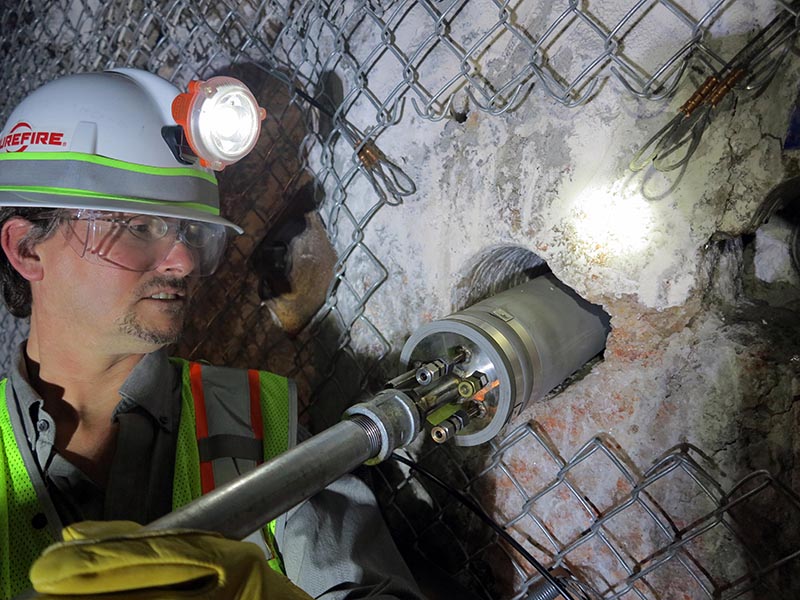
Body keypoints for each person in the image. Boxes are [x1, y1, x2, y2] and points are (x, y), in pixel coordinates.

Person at [0, 69, 423, 599]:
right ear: (27, 249)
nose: (183, 260)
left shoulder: (256, 415)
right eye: (138, 225)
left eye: (191, 232)